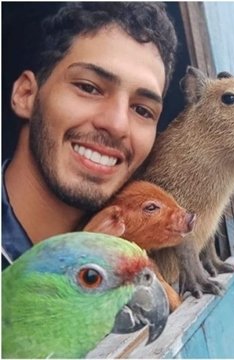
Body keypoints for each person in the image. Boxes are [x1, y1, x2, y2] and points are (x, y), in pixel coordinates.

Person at [2, 3, 178, 269]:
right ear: (26, 95)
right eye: (89, 88)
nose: (118, 125)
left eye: (142, 110)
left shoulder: (133, 267)